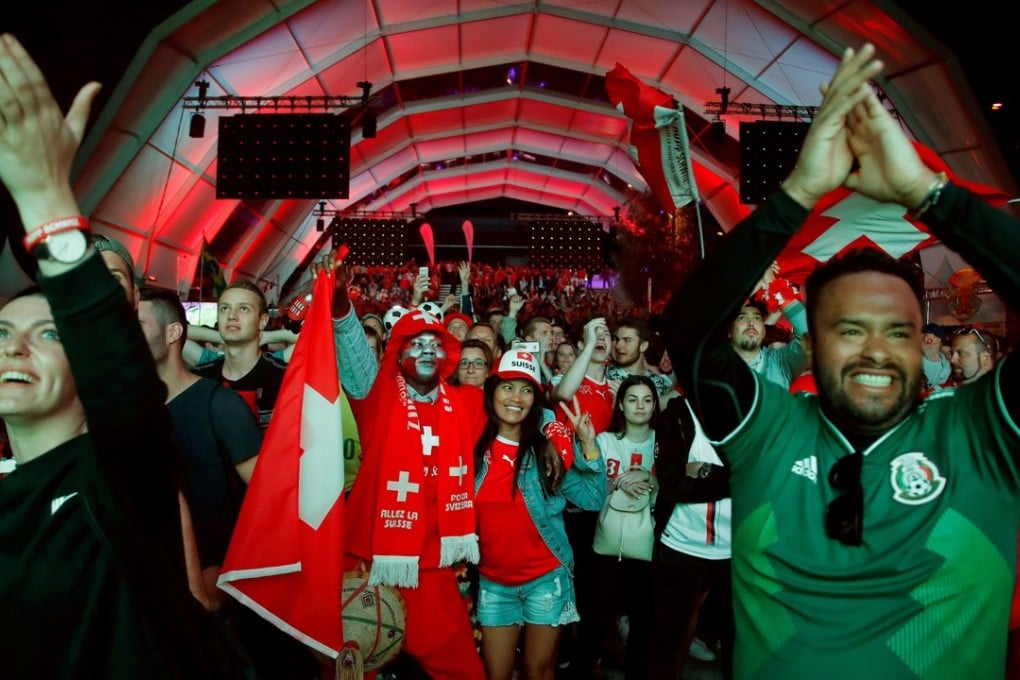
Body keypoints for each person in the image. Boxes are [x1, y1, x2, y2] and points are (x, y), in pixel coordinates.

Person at [660, 42, 1020, 678]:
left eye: (899, 332)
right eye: (850, 330)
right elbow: (690, 328)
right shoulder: (766, 429)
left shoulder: (982, 434)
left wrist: (930, 195)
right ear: (811, 343)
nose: (876, 349)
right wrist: (794, 194)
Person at [0, 33, 238, 677]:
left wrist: (46, 201)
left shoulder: (115, 480)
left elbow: (127, 397)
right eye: (1, 333)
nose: (15, 347)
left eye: (50, 333)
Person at [473, 352, 606, 680]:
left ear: (535, 399)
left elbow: (592, 498)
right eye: (508, 387)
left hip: (546, 579)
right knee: (496, 674)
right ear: (492, 391)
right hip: (494, 583)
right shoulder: (473, 447)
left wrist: (588, 448)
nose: (516, 398)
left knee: (537, 671)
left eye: (526, 390)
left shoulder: (546, 451)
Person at [585, 375, 661, 678]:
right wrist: (617, 480)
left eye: (646, 399)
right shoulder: (605, 441)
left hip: (651, 539)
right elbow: (589, 488)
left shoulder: (665, 442)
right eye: (632, 399)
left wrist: (649, 477)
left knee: (645, 616)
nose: (639, 406)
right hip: (608, 536)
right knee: (599, 610)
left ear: (655, 404)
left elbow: (676, 486)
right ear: (621, 404)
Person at [192, 281, 287, 429]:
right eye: (224, 308)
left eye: (243, 309)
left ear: (262, 321)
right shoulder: (199, 378)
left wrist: (265, 337)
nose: (231, 316)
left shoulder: (284, 378)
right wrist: (224, 335)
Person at [606, 317, 674, 397]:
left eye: (627, 340)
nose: (618, 346)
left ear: (643, 346)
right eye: (617, 339)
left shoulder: (661, 383)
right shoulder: (605, 375)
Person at [920, 322, 952, 390]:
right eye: (926, 335)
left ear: (939, 339)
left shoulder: (945, 365)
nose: (927, 339)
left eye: (933, 336)